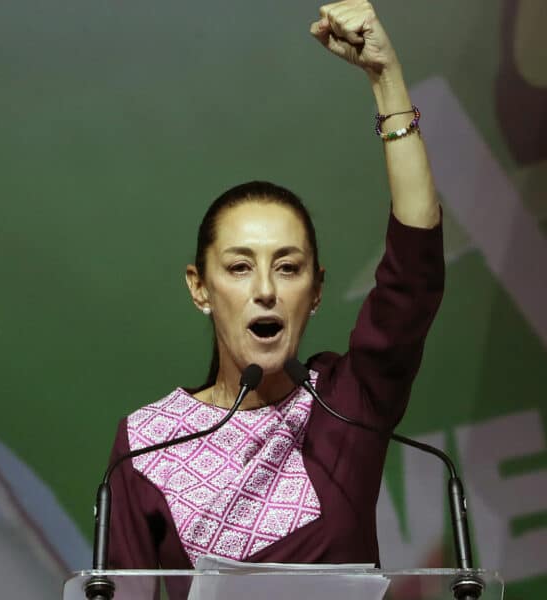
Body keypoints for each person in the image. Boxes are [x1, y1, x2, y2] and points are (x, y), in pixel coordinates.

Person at [105, 0, 444, 580]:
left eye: (288, 268)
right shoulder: (147, 443)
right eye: (239, 268)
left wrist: (386, 81)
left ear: (316, 291)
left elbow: (413, 271)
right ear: (200, 287)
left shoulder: (346, 405)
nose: (265, 289)